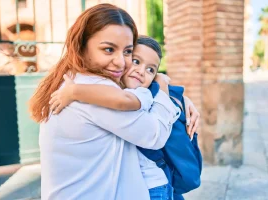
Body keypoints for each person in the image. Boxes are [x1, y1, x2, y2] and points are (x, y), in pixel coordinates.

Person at [29, 4, 180, 200]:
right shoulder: (91, 89)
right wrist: (163, 89)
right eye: (108, 49)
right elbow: (154, 135)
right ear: (81, 46)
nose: (120, 62)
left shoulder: (73, 79)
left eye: (127, 52)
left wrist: (180, 98)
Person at [49, 36, 202, 200]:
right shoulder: (127, 91)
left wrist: (74, 92)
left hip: (152, 186)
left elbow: (122, 101)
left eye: (151, 70)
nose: (141, 71)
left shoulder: (142, 95)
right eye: (136, 61)